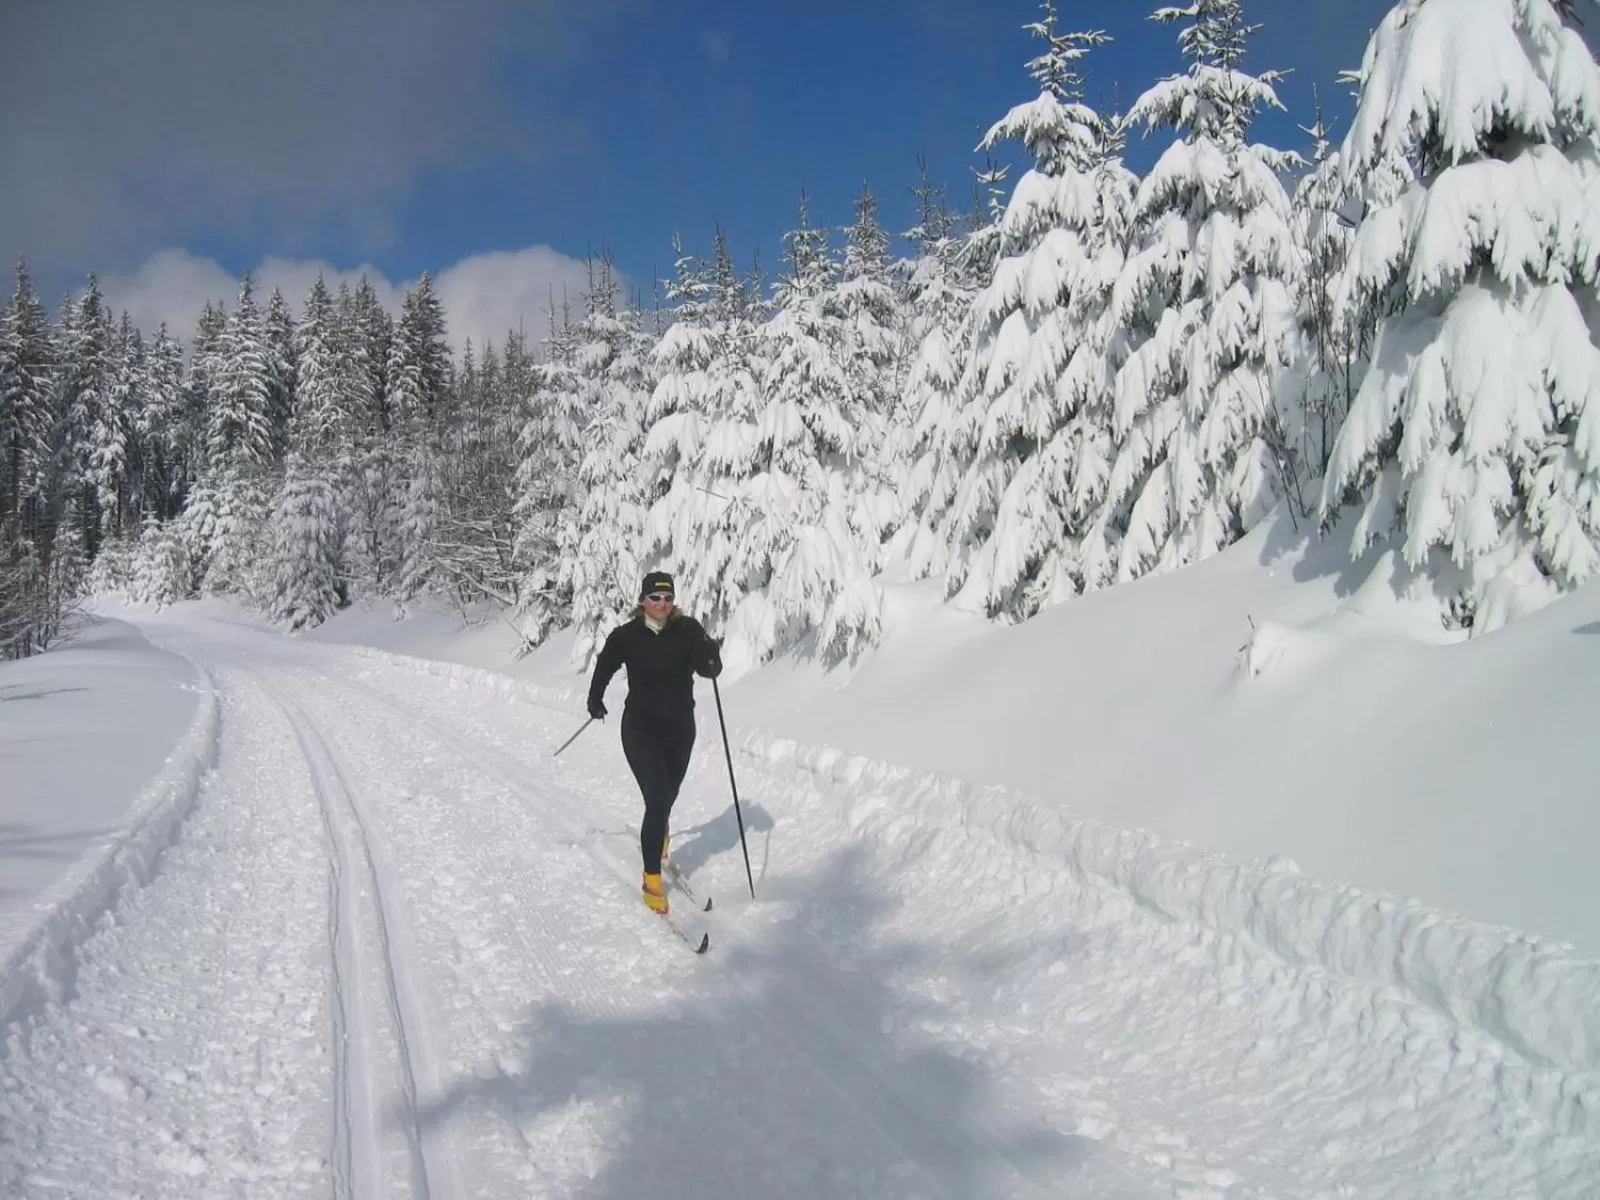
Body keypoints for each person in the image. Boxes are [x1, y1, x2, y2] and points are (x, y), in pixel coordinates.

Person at [586, 571, 722, 914]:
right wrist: (595, 699)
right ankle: (651, 880)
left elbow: (709, 670)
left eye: (667, 598)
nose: (662, 604)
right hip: (640, 729)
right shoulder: (626, 636)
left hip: (680, 729)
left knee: (668, 797)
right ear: (643, 600)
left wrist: (711, 654)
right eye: (655, 597)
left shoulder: (688, 630)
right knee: (657, 798)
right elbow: (604, 666)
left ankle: (658, 836)